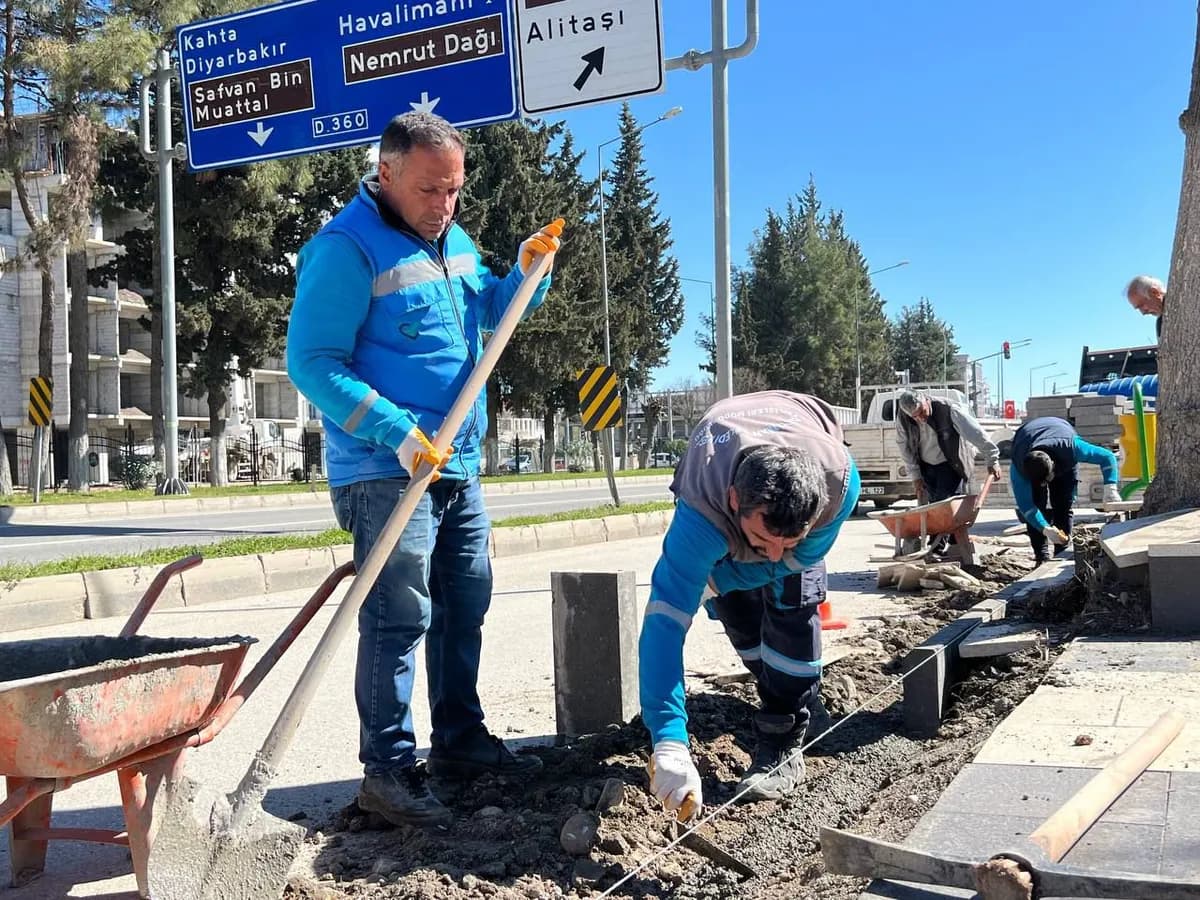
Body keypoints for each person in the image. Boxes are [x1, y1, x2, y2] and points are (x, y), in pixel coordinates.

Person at [287, 111, 564, 828]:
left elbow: (489, 320)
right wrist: (397, 433)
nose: (445, 205)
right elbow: (311, 364)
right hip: (387, 470)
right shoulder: (345, 248)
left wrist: (527, 275)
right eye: (430, 190)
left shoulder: (456, 242)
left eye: (455, 191)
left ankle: (460, 743)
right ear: (385, 173)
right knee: (398, 618)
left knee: (464, 603)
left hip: (458, 464)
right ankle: (388, 771)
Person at [640, 391, 861, 815]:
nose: (774, 554)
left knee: (793, 606)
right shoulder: (702, 512)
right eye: (763, 540)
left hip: (803, 430)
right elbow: (663, 623)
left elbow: (798, 559)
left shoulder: (840, 487)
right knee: (738, 614)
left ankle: (783, 733)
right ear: (736, 502)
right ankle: (792, 692)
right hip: (721, 459)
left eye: (788, 541)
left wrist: (718, 579)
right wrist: (668, 740)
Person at [895, 389, 1002, 554]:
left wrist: (992, 458)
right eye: (915, 416)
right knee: (933, 507)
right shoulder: (903, 418)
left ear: (926, 401)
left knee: (942, 505)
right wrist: (915, 475)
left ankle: (935, 548)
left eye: (922, 412)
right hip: (926, 465)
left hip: (950, 463)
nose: (920, 419)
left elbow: (976, 433)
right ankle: (955, 543)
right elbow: (904, 447)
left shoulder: (949, 409)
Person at [1010, 417, 1120, 565]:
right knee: (1037, 503)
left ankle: (1061, 551)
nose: (1044, 485)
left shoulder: (1071, 448)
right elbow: (1027, 507)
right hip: (1026, 439)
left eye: (1046, 480)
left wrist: (1110, 487)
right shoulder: (1019, 469)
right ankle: (1041, 557)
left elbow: (1107, 457)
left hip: (1060, 438)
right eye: (1040, 482)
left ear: (1054, 466)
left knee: (1063, 504)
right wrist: (1045, 528)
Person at [1125, 275, 1166, 341]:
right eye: (1138, 308)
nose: (1143, 313)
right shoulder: (1160, 323)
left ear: (1155, 292)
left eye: (1141, 305)